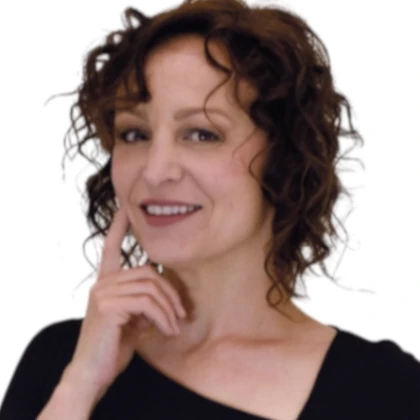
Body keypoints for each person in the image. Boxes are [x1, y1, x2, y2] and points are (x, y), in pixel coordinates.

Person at [1, 0, 420, 419]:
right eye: (134, 134)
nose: (155, 170)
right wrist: (81, 384)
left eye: (202, 134)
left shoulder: (384, 393)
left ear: (284, 160)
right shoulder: (62, 362)